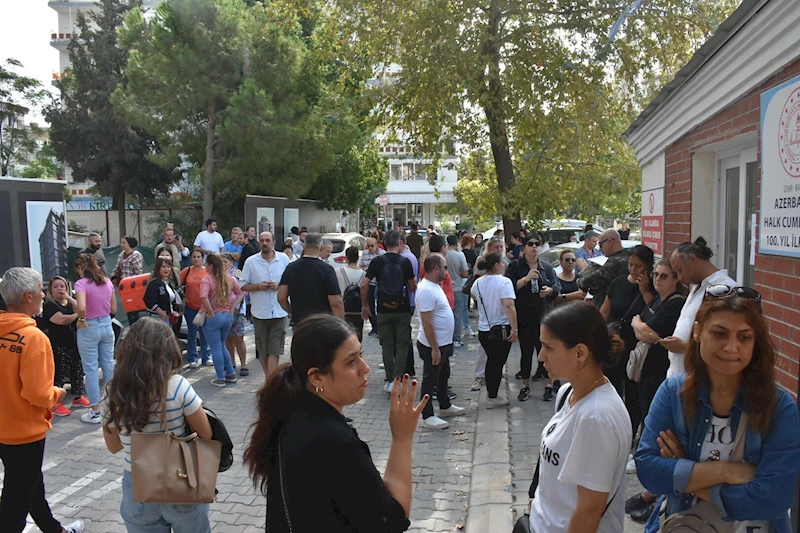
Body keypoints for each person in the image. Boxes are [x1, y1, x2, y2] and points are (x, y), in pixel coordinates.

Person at [634, 288, 800, 533]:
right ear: (698, 331)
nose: (731, 347)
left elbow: (773, 499)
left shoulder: (779, 406)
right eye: (719, 333)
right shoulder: (672, 393)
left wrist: (685, 474)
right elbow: (649, 471)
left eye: (744, 337)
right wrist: (728, 471)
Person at [244, 314, 426, 532]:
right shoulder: (332, 441)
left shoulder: (293, 412)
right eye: (351, 362)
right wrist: (402, 437)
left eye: (361, 355)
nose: (365, 367)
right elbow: (393, 520)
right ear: (317, 377)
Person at [528, 302, 632, 533]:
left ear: (580, 353)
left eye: (549, 347)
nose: (542, 356)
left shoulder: (596, 418)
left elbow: (589, 510)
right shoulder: (568, 393)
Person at [102, 318, 213, 533]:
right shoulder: (177, 385)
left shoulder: (112, 392)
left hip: (136, 483)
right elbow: (206, 433)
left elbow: (114, 446)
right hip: (180, 478)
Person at [0, 268, 86, 533]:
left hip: (4, 430)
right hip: (24, 432)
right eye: (40, 290)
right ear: (28, 296)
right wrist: (59, 393)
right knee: (16, 499)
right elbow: (39, 395)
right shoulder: (34, 338)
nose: (42, 295)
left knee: (30, 485)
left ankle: (54, 529)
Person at [624, 259, 686, 522]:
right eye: (656, 274)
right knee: (643, 412)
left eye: (664, 275)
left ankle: (654, 485)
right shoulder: (656, 300)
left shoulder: (675, 303)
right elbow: (637, 322)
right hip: (645, 371)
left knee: (654, 421)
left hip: (659, 372)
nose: (658, 279)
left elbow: (649, 331)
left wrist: (641, 326)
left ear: (676, 280)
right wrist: (641, 326)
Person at [600, 245, 654, 455]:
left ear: (647, 267)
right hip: (615, 343)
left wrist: (645, 291)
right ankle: (610, 430)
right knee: (610, 388)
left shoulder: (650, 287)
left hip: (636, 348)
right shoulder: (618, 282)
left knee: (632, 394)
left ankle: (630, 435)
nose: (633, 269)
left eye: (638, 266)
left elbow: (653, 312)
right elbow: (605, 310)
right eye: (631, 265)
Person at [661, 236, 736, 378]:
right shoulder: (698, 287)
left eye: (680, 270)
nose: (680, 277)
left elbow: (723, 341)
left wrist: (684, 347)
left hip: (699, 380)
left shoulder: (724, 289)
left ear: (693, 259)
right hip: (680, 375)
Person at [360, 230, 417, 393]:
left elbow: (364, 284)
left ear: (384, 243)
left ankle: (389, 379)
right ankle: (396, 381)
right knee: (401, 346)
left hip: (383, 308)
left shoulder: (378, 261)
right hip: (402, 308)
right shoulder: (405, 262)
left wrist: (365, 305)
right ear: (400, 243)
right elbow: (412, 287)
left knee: (386, 345)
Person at [505, 233, 561, 402]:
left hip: (544, 317)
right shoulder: (515, 266)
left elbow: (556, 286)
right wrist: (525, 279)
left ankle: (548, 385)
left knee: (547, 352)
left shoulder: (547, 267)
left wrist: (550, 291)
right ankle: (525, 386)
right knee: (526, 353)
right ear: (524, 247)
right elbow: (508, 288)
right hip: (524, 317)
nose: (535, 247)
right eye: (531, 244)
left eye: (537, 244)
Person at [416, 253, 464, 429]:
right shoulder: (426, 290)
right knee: (430, 380)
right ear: (436, 268)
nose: (447, 270)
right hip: (433, 345)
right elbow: (427, 322)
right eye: (444, 267)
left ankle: (445, 406)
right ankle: (427, 415)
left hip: (443, 343)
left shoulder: (434, 286)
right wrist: (434, 349)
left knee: (443, 375)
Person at [240, 231, 290, 379]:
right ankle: (270, 380)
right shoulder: (251, 261)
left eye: (268, 240)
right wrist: (258, 287)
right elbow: (242, 285)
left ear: (274, 242)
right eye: (262, 240)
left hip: (279, 310)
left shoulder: (283, 259)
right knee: (263, 350)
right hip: (260, 312)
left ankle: (270, 381)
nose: (265, 243)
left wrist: (279, 285)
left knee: (275, 349)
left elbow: (292, 282)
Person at [471, 252, 518, 409]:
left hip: (484, 329)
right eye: (502, 263)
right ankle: (492, 396)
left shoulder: (477, 283)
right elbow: (509, 305)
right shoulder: (504, 282)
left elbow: (474, 295)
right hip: (501, 327)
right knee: (497, 363)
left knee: (492, 361)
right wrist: (515, 328)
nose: (504, 265)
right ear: (497, 265)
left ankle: (492, 393)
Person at [73, 253, 116, 424]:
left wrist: (81, 319)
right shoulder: (107, 281)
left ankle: (95, 411)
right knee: (108, 366)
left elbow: (81, 306)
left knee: (90, 370)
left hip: (89, 327)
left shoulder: (81, 283)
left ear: (80, 267)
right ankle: (114, 406)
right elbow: (113, 308)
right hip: (106, 324)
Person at [42, 276, 89, 416]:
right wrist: (78, 315)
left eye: (62, 286)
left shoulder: (68, 302)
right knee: (59, 374)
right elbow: (62, 320)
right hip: (58, 345)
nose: (59, 289)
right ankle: (56, 404)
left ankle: (78, 397)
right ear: (51, 289)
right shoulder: (49, 305)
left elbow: (81, 307)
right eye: (56, 287)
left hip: (73, 343)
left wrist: (69, 297)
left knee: (77, 370)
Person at [279, 233, 344, 323]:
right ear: (320, 247)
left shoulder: (291, 267)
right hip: (323, 322)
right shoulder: (327, 270)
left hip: (300, 321)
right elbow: (336, 302)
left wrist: (291, 312)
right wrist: (340, 323)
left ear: (304, 246)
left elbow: (281, 297)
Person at [200, 253, 242, 387]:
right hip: (227, 316)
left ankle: (220, 377)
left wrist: (210, 311)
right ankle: (230, 373)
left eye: (206, 264)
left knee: (216, 348)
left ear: (211, 266)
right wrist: (233, 308)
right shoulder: (229, 278)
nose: (205, 266)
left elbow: (203, 297)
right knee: (222, 345)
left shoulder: (207, 279)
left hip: (213, 317)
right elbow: (241, 292)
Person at [578, 229, 630, 308]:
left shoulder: (617, 262)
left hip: (611, 311)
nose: (599, 249)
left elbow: (584, 282)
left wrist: (580, 281)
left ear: (609, 242)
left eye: (600, 244)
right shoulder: (627, 257)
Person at [180, 249, 212, 368]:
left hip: (204, 307)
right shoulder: (186, 271)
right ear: (191, 258)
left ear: (202, 258)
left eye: (199, 257)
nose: (196, 259)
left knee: (205, 333)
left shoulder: (207, 272)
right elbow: (179, 284)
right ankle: (192, 358)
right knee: (192, 333)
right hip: (190, 307)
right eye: (194, 257)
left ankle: (206, 356)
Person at [220, 253, 248, 375]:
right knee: (228, 337)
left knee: (239, 337)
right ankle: (231, 362)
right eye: (221, 262)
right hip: (224, 309)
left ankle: (243, 364)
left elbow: (244, 289)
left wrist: (235, 305)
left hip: (238, 309)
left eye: (225, 262)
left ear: (231, 262)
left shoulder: (237, 273)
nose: (223, 265)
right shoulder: (218, 275)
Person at [110, 236, 144, 326]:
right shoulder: (122, 254)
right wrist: (112, 279)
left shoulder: (136, 255)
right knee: (128, 309)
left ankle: (136, 329)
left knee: (133, 310)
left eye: (124, 243)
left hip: (132, 287)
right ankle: (133, 327)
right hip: (123, 286)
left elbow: (138, 272)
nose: (122, 245)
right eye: (121, 242)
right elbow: (117, 268)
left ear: (130, 244)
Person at [337, 245, 366, 341]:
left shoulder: (338, 272)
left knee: (343, 337)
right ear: (358, 258)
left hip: (343, 309)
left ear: (346, 257)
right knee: (357, 337)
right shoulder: (364, 274)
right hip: (358, 310)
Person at [445, 235, 470, 348]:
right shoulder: (460, 255)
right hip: (458, 287)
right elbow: (465, 273)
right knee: (457, 314)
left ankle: (446, 338)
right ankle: (457, 339)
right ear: (457, 243)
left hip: (445, 288)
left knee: (445, 313)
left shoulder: (443, 255)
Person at [144, 256, 182, 327]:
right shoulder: (154, 283)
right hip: (157, 318)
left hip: (168, 317)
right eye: (163, 267)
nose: (166, 269)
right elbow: (149, 300)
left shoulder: (167, 282)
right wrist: (162, 314)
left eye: (168, 267)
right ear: (158, 268)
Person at [359, 237, 385, 336]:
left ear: (376, 245)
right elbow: (361, 267)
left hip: (379, 283)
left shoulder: (382, 254)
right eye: (368, 246)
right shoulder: (365, 254)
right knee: (369, 305)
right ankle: (375, 326)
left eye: (372, 246)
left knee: (379, 304)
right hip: (369, 283)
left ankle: (380, 327)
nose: (370, 248)